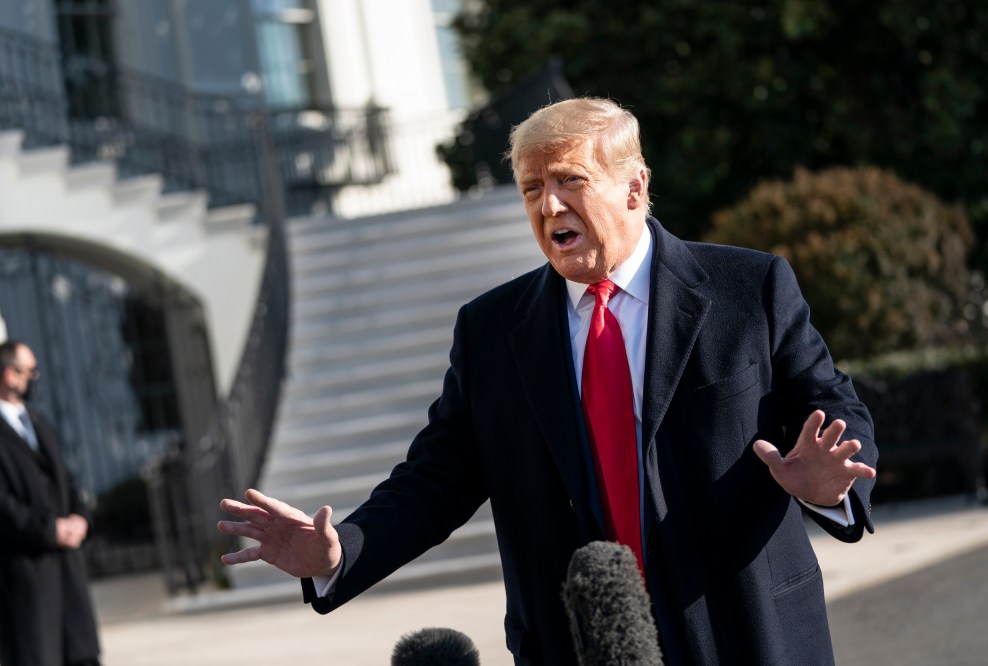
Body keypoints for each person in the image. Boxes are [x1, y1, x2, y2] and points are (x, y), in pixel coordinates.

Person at [219, 97, 877, 665]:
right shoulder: (491, 331)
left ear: (635, 188)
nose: (549, 205)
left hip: (743, 634)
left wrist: (832, 482)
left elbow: (832, 409)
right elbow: (434, 482)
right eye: (532, 189)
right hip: (575, 644)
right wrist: (339, 552)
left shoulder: (748, 289)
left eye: (569, 181)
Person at [0, 340, 102, 666]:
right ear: (9, 375)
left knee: (81, 656)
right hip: (27, 576)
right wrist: (49, 530)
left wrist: (80, 518)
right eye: (30, 371)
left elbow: (67, 480)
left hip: (67, 573)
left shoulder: (38, 422)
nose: (34, 378)